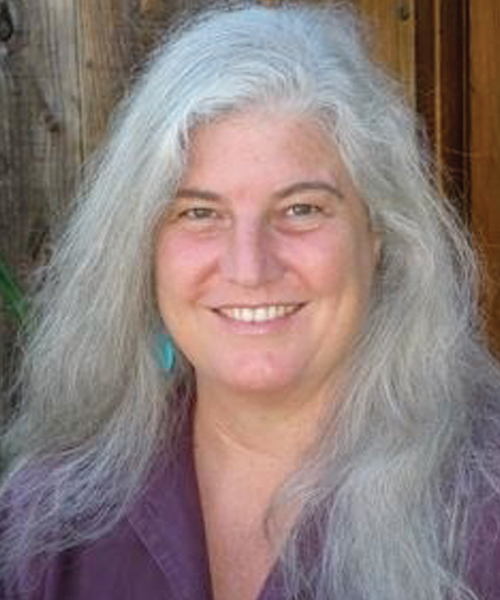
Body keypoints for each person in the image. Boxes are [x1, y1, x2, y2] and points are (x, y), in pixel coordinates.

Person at [1, 3, 500, 599]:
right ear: (143, 247)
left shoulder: (484, 509)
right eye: (200, 213)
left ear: (378, 233)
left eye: (301, 209)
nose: (249, 267)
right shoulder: (49, 520)